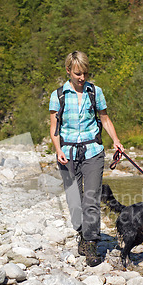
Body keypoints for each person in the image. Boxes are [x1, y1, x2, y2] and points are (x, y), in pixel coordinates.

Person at [49, 50, 124, 267]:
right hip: (67, 153)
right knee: (75, 201)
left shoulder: (95, 92)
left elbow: (105, 119)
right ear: (68, 71)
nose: (82, 78)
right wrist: (58, 149)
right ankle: (82, 233)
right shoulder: (59, 95)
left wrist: (116, 140)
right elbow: (54, 127)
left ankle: (91, 244)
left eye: (85, 73)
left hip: (93, 151)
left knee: (91, 199)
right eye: (77, 73)